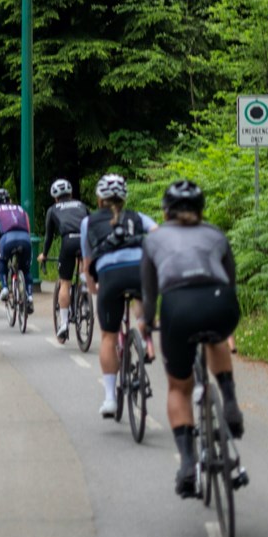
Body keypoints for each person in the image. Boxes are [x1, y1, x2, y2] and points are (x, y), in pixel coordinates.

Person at [139, 180, 243, 498]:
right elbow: (231, 279)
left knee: (179, 387)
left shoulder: (154, 240)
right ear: (201, 209)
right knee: (215, 338)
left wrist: (147, 322)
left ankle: (187, 463)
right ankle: (230, 401)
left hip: (179, 307)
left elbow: (150, 292)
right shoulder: (215, 234)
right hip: (219, 299)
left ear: (165, 210)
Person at [80, 174, 157, 418]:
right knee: (140, 298)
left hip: (110, 276)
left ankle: (110, 398)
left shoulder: (89, 222)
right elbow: (157, 232)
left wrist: (94, 290)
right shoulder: (137, 217)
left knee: (108, 337)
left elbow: (87, 262)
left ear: (99, 198)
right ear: (124, 197)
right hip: (140, 270)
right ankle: (145, 338)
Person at [36, 178, 89, 343]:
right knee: (83, 269)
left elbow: (49, 236)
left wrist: (44, 254)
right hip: (86, 240)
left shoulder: (53, 209)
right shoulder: (81, 205)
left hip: (68, 241)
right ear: (71, 193)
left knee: (64, 282)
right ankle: (84, 286)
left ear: (55, 197)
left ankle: (64, 323)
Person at [0, 188, 34, 314]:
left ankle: (4, 288)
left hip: (7, 239)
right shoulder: (20, 209)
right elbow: (28, 229)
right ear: (10, 200)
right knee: (26, 269)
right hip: (24, 239)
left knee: (2, 260)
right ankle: (29, 296)